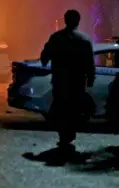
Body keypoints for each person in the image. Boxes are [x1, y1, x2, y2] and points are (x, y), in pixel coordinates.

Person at [40, 9, 95, 150]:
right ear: (78, 21)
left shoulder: (56, 38)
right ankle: (69, 133)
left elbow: (45, 56)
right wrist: (90, 78)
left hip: (60, 81)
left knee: (61, 107)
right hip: (77, 82)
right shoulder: (84, 40)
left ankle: (64, 134)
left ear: (65, 20)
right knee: (74, 108)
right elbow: (89, 62)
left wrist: (47, 61)